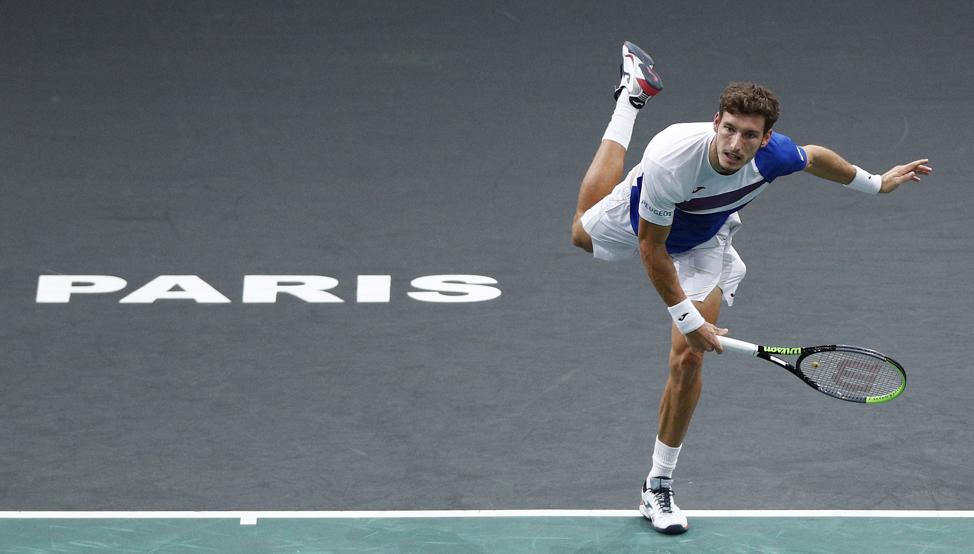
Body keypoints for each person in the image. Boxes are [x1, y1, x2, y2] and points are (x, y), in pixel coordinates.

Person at [570, 41, 932, 535]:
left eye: (749, 135)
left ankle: (658, 485)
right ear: (716, 121)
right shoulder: (671, 160)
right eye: (729, 129)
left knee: (687, 358)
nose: (736, 144)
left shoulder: (774, 156)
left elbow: (817, 158)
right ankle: (630, 100)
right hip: (649, 219)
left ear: (766, 139)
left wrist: (874, 183)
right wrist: (690, 319)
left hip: (705, 240)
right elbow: (652, 250)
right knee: (580, 233)